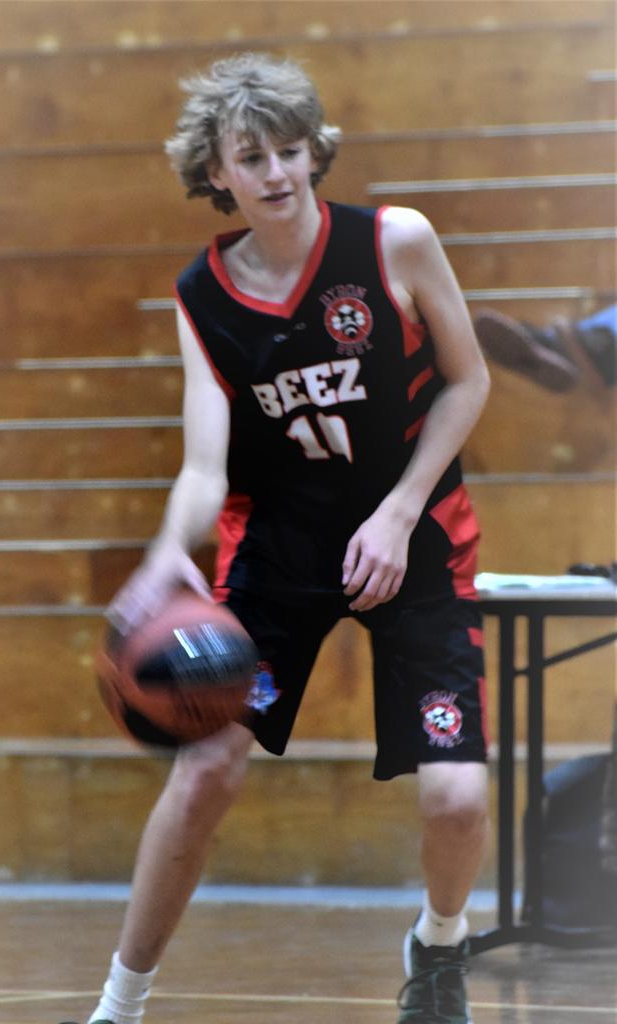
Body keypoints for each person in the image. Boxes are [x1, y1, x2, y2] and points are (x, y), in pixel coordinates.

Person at [75, 52, 491, 1024]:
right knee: (207, 764)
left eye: (290, 150)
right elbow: (204, 465)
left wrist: (397, 509)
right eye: (251, 155)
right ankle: (118, 1005)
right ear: (216, 171)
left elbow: (469, 382)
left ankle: (438, 945)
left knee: (457, 801)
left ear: (316, 154)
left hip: (415, 546)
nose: (275, 172)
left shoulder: (395, 243)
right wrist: (160, 558)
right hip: (280, 560)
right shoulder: (205, 294)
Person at [473, 305, 616, 394]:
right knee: (544, 340)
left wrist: (570, 342)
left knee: (549, 344)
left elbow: (600, 386)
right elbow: (565, 326)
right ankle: (532, 354)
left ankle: (531, 353)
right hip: (562, 343)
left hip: (576, 359)